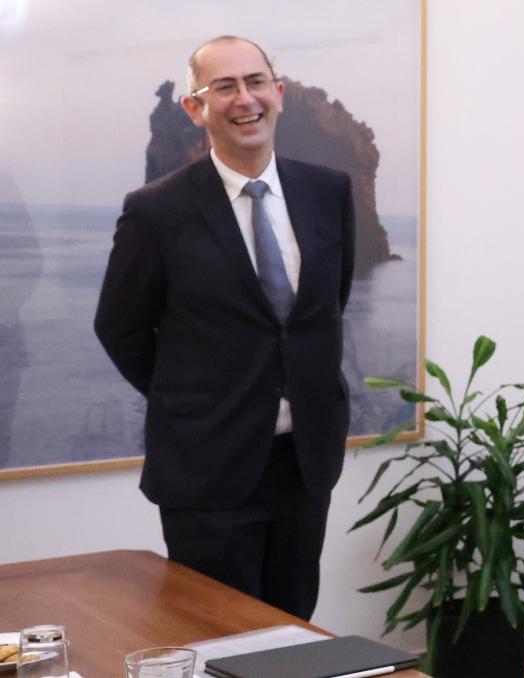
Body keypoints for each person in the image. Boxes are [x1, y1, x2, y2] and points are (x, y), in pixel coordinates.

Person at [93, 35, 355, 620]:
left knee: (292, 635)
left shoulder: (328, 192)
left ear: (278, 93)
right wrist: (196, 399)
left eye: (256, 81)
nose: (246, 99)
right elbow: (119, 328)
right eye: (225, 86)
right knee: (218, 638)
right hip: (205, 469)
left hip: (303, 463)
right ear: (196, 107)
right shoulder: (155, 211)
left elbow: (323, 311)